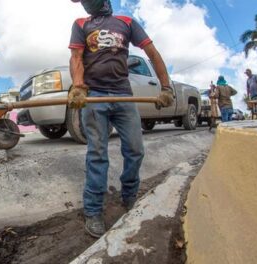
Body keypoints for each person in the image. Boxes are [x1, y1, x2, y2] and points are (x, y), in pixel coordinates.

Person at [68, 0, 173, 237]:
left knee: (135, 150)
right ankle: (93, 211)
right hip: (95, 97)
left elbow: (152, 53)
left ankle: (129, 197)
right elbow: (76, 57)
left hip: (124, 96)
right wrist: (78, 87)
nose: (87, 3)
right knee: (97, 153)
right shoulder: (81, 24)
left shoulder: (126, 22)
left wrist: (166, 87)